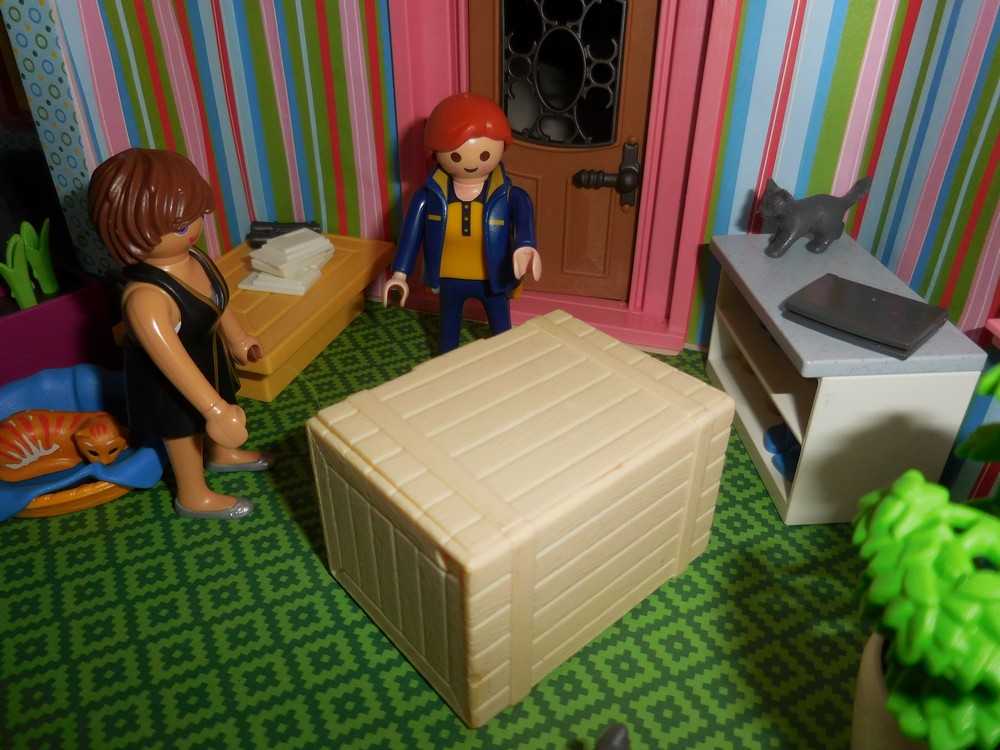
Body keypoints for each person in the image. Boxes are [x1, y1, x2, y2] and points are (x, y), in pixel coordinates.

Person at [88, 148, 273, 519]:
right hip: (169, 381)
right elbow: (170, 361)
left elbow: (217, 300)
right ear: (132, 233)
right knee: (183, 430)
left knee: (223, 399)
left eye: (195, 218)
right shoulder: (146, 299)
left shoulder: (196, 259)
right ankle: (192, 494)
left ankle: (221, 454)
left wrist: (238, 338)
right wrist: (213, 409)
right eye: (180, 226)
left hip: (208, 356)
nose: (194, 231)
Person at [382, 92, 541, 354]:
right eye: (456, 156)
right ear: (435, 152)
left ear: (502, 146)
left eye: (485, 154)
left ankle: (508, 362)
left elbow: (525, 223)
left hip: (493, 277)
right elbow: (411, 235)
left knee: (502, 332)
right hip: (449, 277)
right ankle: (448, 365)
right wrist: (400, 274)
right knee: (448, 335)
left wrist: (526, 246)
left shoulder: (511, 196)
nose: (470, 163)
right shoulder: (428, 197)